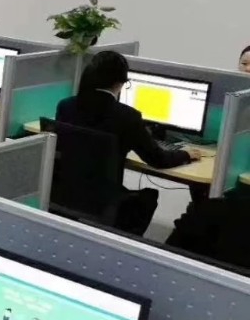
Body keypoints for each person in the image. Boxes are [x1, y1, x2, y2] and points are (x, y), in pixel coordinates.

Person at [55, 50, 201, 233]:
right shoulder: (127, 117)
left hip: (64, 193)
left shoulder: (65, 106)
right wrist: (186, 154)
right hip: (101, 200)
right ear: (120, 82)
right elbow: (158, 159)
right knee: (148, 197)